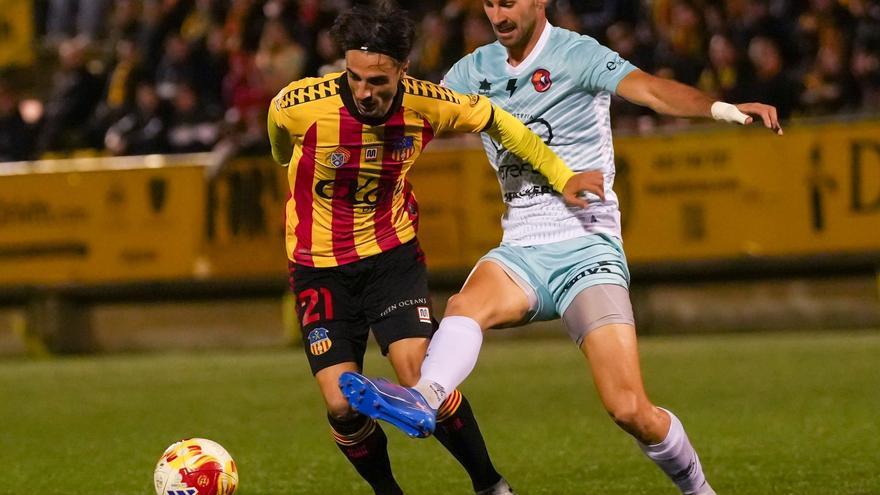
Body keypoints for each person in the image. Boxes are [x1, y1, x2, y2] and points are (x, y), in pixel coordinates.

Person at [339, 1, 784, 494]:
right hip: (521, 249)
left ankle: (700, 491)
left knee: (629, 409)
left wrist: (722, 108)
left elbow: (652, 91)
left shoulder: (577, 55)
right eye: (489, 3)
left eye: (509, 1)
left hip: (586, 249)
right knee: (465, 306)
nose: (498, 13)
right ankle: (423, 398)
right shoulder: (471, 71)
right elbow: (416, 111)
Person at [267, 4, 604, 494]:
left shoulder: (430, 103)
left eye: (378, 81)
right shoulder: (299, 103)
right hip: (318, 269)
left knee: (421, 377)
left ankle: (490, 484)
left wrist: (562, 175)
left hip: (390, 259)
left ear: (403, 70)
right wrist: (287, 161)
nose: (364, 92)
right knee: (341, 405)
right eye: (355, 78)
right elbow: (277, 137)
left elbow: (501, 123)